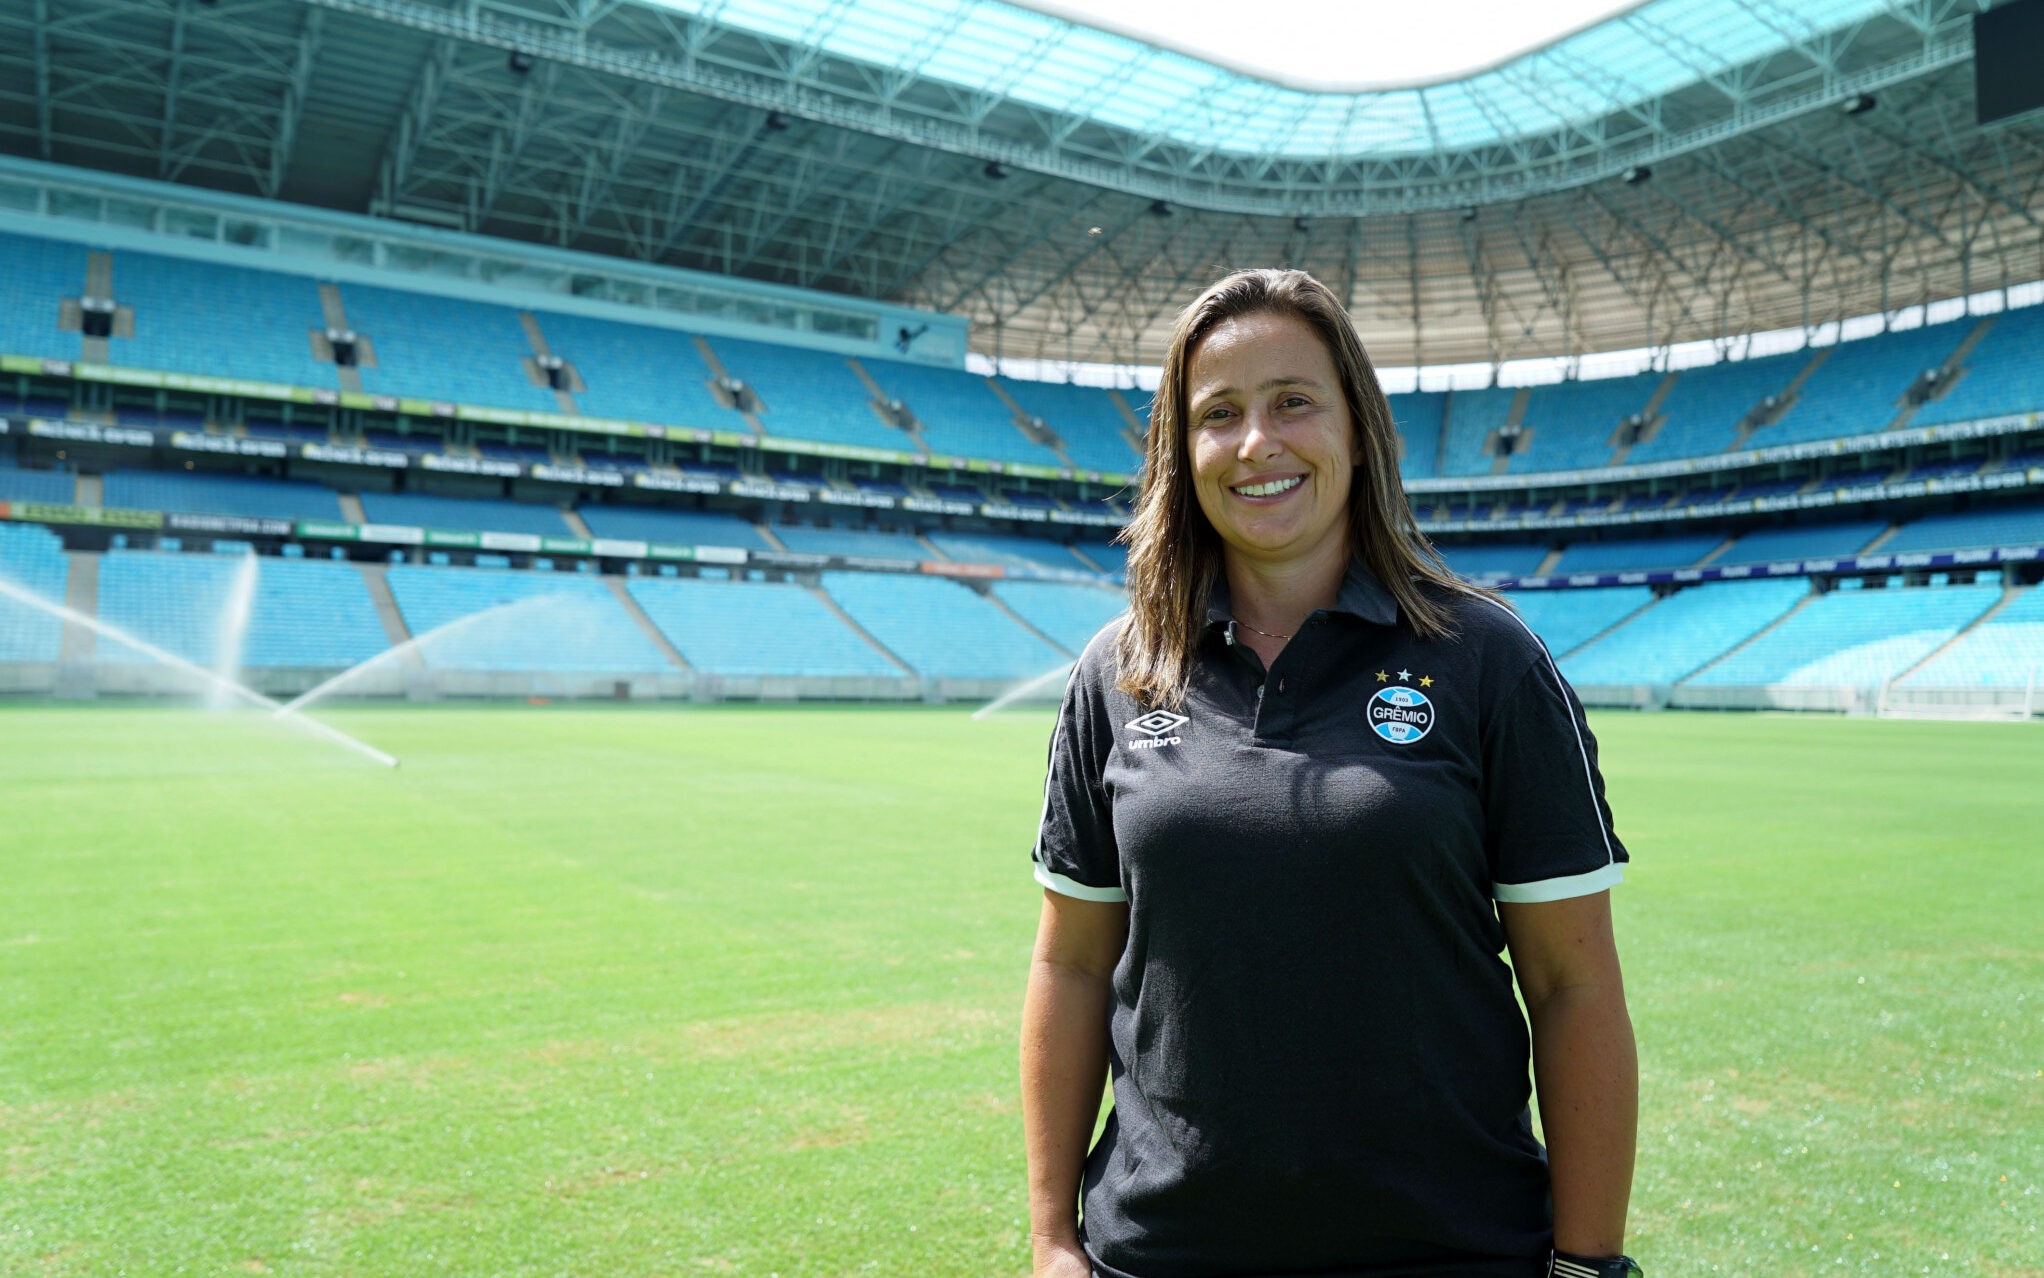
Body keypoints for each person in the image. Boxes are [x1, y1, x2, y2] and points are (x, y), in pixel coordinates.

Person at [1020, 269, 1640, 1278]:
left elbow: (1573, 987)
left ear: (1358, 430)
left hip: (1452, 1254)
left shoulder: (1489, 660)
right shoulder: (1119, 672)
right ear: (1182, 452)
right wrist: (1053, 1240)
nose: (1256, 443)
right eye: (1219, 414)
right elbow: (1072, 966)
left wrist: (1587, 1264)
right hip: (1162, 1255)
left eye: (1293, 401)